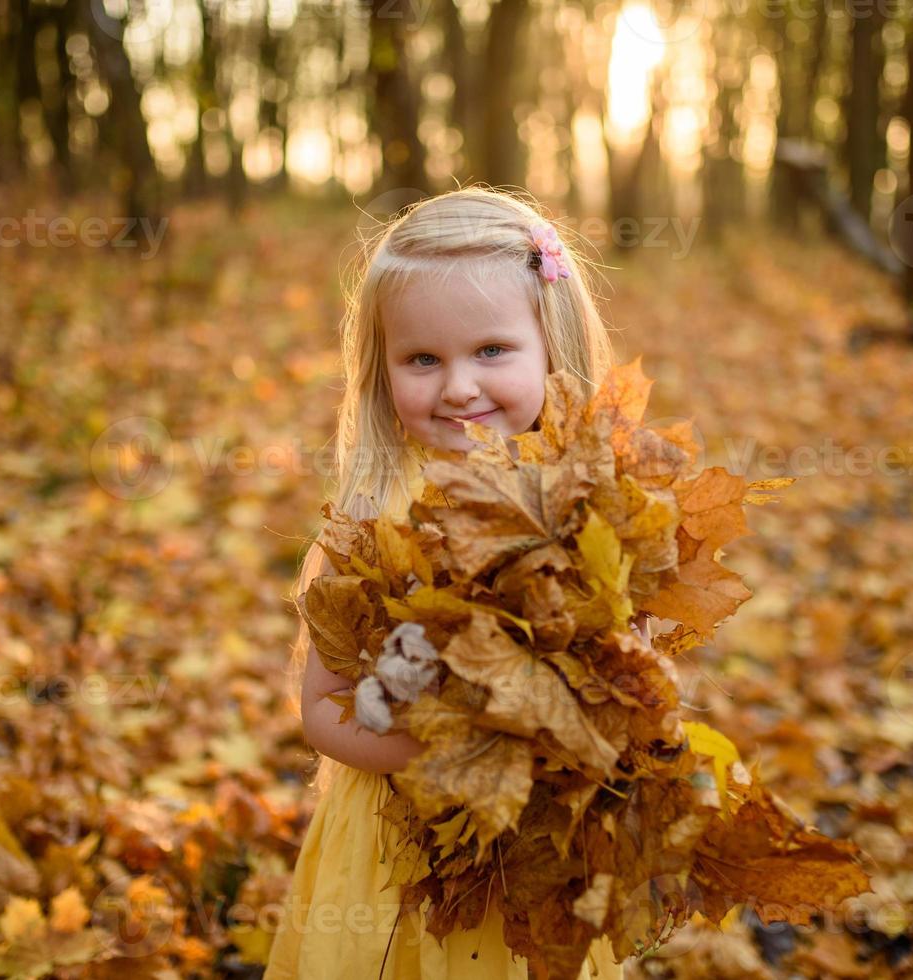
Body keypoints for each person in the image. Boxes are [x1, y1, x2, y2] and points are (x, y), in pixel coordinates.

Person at [263, 187, 633, 979]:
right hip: (399, 850)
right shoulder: (368, 524)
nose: (459, 387)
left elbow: (630, 675)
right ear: (382, 369)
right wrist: (444, 758)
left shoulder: (590, 515)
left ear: (550, 347)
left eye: (492, 351)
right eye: (423, 360)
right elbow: (324, 712)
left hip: (537, 848)